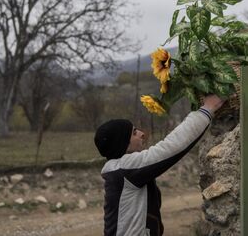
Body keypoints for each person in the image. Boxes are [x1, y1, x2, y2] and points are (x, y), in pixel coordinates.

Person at [94, 94, 225, 236]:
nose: (142, 134)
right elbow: (172, 147)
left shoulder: (120, 171)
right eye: (134, 132)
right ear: (123, 144)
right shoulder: (124, 170)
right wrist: (207, 108)